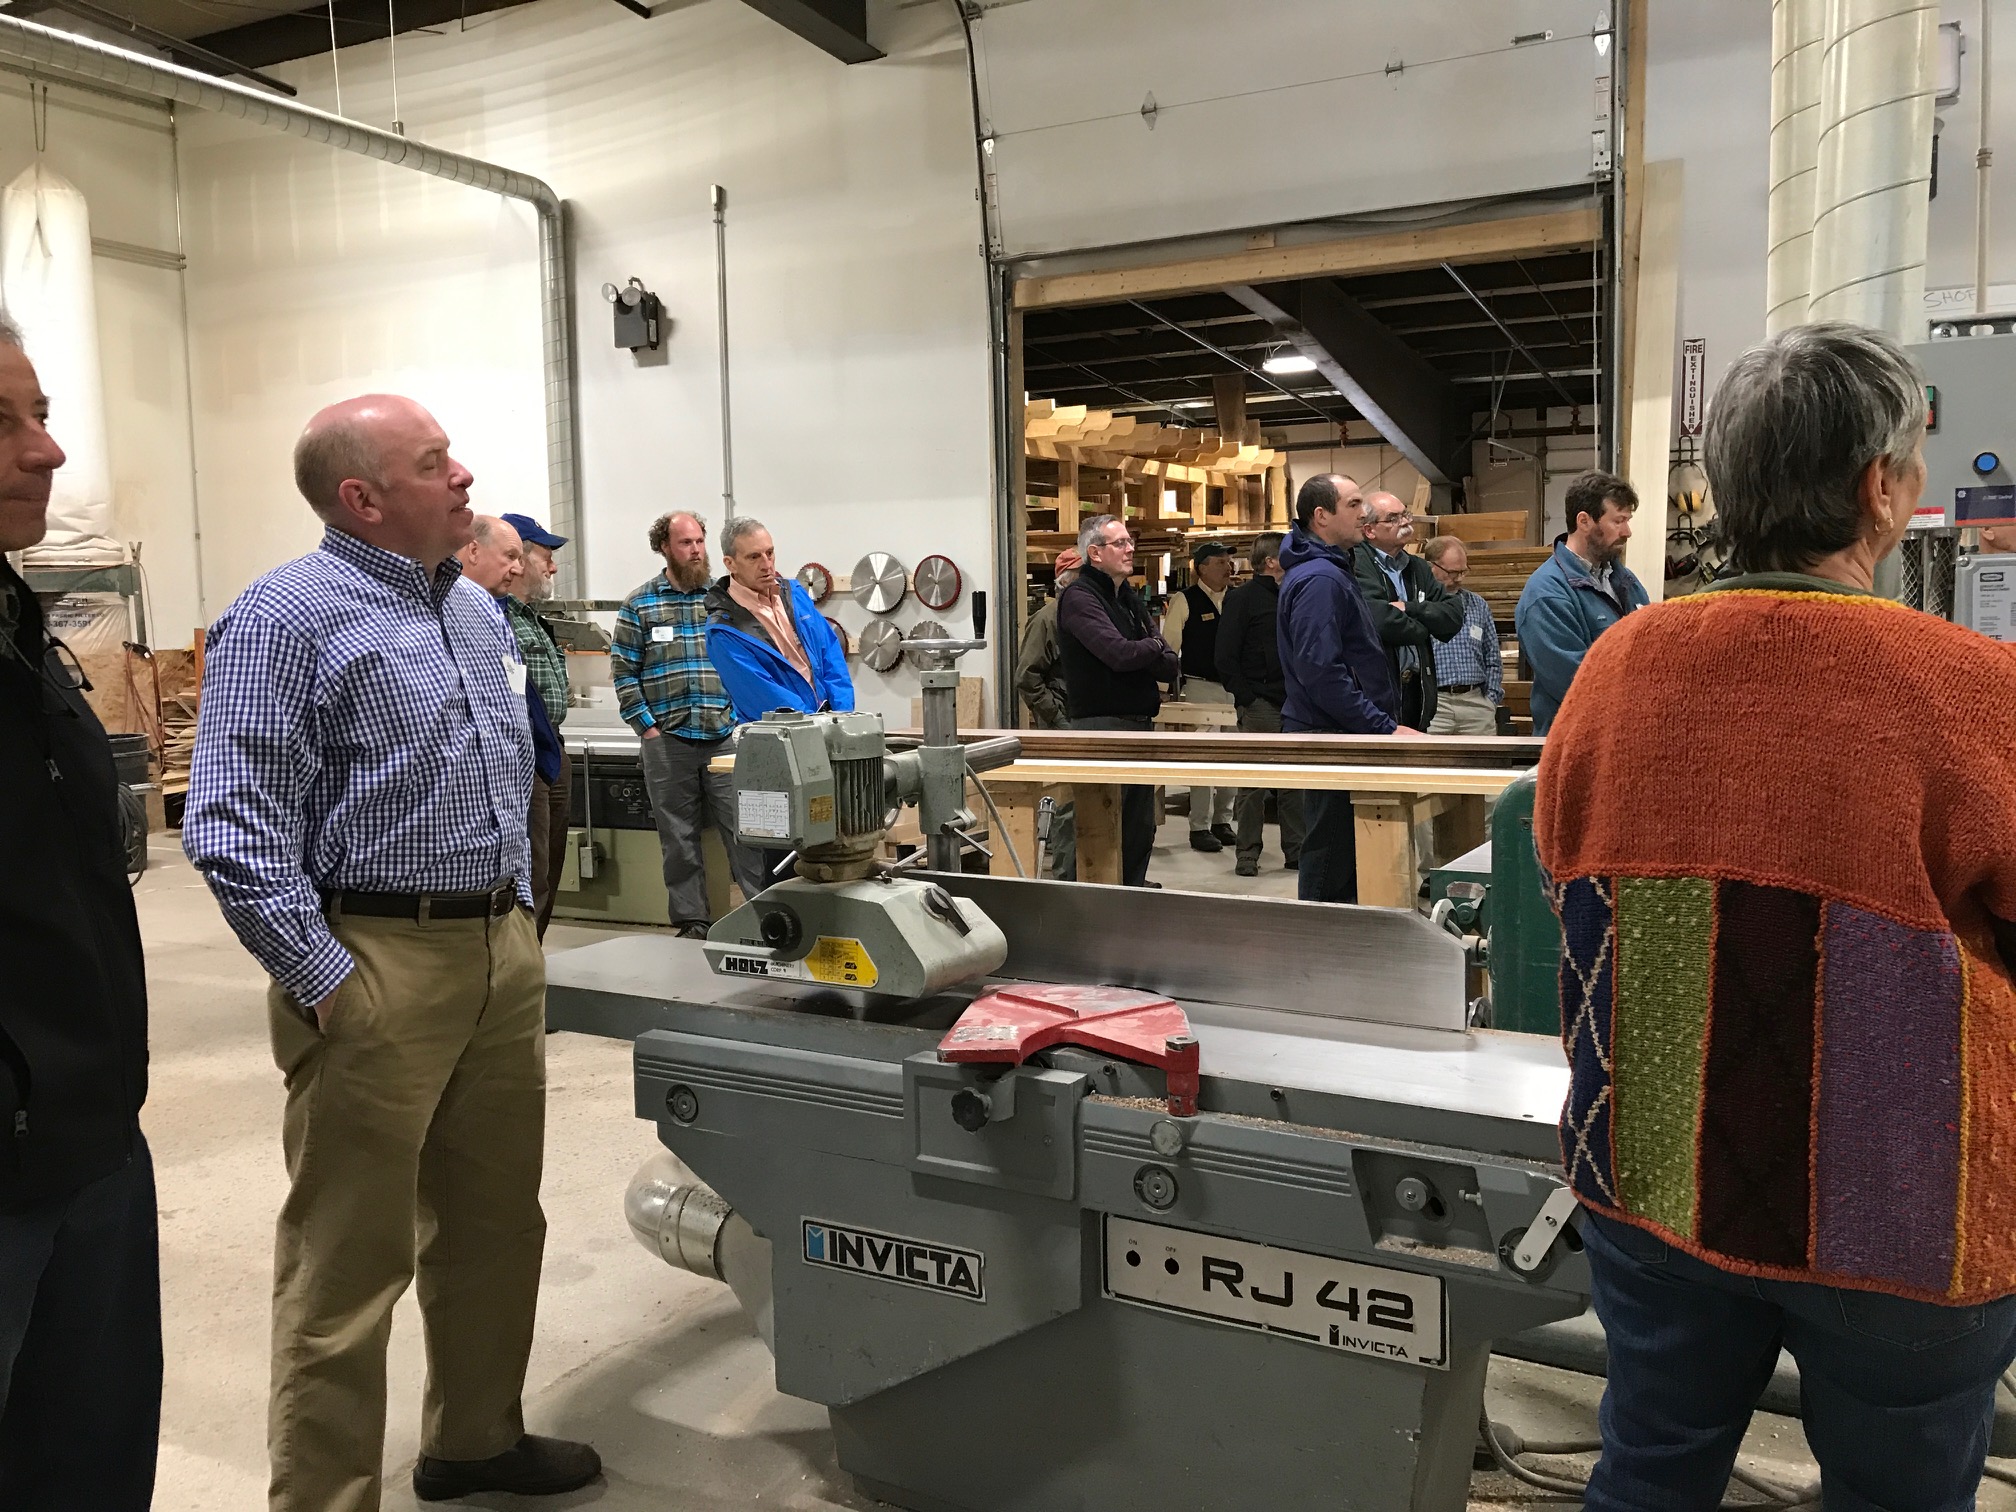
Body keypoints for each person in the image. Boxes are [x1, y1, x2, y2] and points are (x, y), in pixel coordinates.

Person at [1539, 322, 2016, 1512]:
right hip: (1902, 1216)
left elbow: (1562, 864)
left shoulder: (1615, 664)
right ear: (1880, 488)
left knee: (1649, 1469)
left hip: (1650, 1176)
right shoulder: (1968, 688)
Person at [183, 394, 599, 1511]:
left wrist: (516, 926)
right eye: (434, 463)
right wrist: (323, 977)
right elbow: (228, 824)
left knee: (496, 1222)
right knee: (348, 1264)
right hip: (373, 955)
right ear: (362, 499)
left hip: (495, 947)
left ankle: (474, 1441)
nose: (465, 476)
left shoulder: (472, 611)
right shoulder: (284, 620)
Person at [0, 311, 161, 1509]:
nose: (47, 452)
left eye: (42, 413)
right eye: (2, 424)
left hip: (93, 1135)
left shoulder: (20, 626)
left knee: (88, 1463)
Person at [611, 511, 769, 938]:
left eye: (700, 541)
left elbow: (754, 661)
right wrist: (646, 727)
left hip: (724, 736)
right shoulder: (640, 604)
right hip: (668, 740)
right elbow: (623, 672)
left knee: (747, 832)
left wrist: (744, 719)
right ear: (664, 547)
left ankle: (764, 916)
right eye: (686, 543)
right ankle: (693, 922)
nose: (697, 550)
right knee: (678, 840)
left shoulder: (724, 601)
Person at [1277, 474, 1410, 904]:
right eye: (1353, 504)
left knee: (1344, 853)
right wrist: (1381, 726)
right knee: (1331, 856)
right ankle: (1319, 953)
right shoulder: (1321, 580)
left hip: (1340, 730)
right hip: (1331, 735)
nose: (1364, 512)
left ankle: (1337, 950)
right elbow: (1321, 672)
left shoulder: (1332, 571)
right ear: (1321, 516)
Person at [1058, 513, 1178, 888]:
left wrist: (1147, 649)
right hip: (1102, 727)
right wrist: (1152, 646)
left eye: (1130, 542)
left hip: (1139, 725)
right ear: (1095, 553)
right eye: (1121, 543)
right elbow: (1118, 654)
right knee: (1100, 825)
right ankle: (1091, 902)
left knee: (1139, 825)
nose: (1130, 549)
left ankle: (1131, 892)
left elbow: (1170, 664)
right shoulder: (1080, 598)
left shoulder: (1127, 597)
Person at [1516, 470, 1649, 734]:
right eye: (1618, 521)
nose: (1628, 531)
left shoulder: (1625, 581)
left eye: (1628, 520)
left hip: (1623, 739)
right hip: (1576, 745)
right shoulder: (1547, 594)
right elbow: (1578, 684)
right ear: (1584, 521)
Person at [495, 513, 575, 938]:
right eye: (546, 555)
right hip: (525, 753)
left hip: (552, 747)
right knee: (533, 866)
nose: (553, 566)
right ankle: (523, 955)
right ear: (519, 558)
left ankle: (534, 951)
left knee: (552, 861)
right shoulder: (497, 617)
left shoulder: (531, 618)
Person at [1214, 531, 1303, 878]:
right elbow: (1224, 655)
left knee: (1294, 782)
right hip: (1260, 702)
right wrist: (1246, 698)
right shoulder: (1243, 599)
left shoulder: (1293, 594)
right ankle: (1247, 853)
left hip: (1293, 700)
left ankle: (1296, 850)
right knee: (1254, 782)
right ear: (1270, 561)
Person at [703, 516, 853, 720]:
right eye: (754, 557)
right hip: (777, 739)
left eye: (770, 553)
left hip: (828, 726)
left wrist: (842, 716)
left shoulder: (795, 595)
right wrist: (815, 727)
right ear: (731, 564)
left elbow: (831, 657)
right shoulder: (724, 630)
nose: (766, 565)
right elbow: (763, 695)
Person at [1352, 491, 1461, 731]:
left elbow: (1453, 617)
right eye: (1393, 518)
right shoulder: (1357, 564)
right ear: (1369, 530)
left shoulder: (1418, 567)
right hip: (1378, 692)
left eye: (1405, 514)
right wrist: (1424, 628)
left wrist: (1409, 608)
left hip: (1417, 692)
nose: (1405, 522)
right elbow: (1379, 620)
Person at [1161, 541, 1238, 852]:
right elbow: (1169, 647)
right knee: (1203, 757)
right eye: (1220, 561)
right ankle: (1200, 826)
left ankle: (1223, 820)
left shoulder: (1237, 600)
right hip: (1200, 687)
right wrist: (1164, 690)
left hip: (1234, 689)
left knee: (1234, 758)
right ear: (1202, 567)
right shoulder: (1185, 600)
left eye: (1228, 561)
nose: (1228, 567)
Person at [1014, 546, 1082, 880]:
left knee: (1095, 800)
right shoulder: (1046, 620)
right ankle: (1067, 879)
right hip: (1064, 720)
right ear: (1067, 581)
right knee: (1068, 803)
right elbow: (1026, 678)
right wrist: (1056, 718)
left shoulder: (1086, 616)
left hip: (1086, 719)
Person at [1421, 536, 1503, 735]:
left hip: (1476, 705)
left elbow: (1492, 657)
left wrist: (1490, 700)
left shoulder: (1478, 605)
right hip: (1436, 706)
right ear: (1431, 567)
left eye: (1463, 571)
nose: (1458, 578)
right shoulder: (1419, 607)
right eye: (1452, 572)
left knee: (1484, 765)